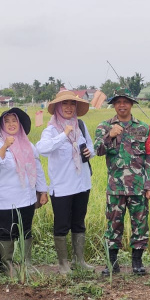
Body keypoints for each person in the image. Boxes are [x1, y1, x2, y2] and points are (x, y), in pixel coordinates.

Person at [93, 89, 150, 276]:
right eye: (118, 102)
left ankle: (137, 263)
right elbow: (98, 150)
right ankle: (112, 263)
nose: (122, 105)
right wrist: (111, 136)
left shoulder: (144, 128)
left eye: (126, 102)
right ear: (114, 105)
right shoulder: (104, 126)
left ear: (132, 104)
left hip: (139, 187)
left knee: (140, 225)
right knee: (113, 226)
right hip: (115, 187)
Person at [36, 90, 94, 274]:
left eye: (72, 104)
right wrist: (63, 135)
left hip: (82, 183)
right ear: (57, 108)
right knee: (61, 225)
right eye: (65, 104)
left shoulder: (81, 126)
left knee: (79, 222)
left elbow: (90, 148)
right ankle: (63, 264)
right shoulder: (51, 130)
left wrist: (88, 153)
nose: (69, 108)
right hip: (62, 187)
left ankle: (80, 261)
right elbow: (42, 149)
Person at [0, 108, 48, 275]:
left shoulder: (28, 144)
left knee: (25, 230)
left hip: (27, 196)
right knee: (6, 232)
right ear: (2, 125)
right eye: (7, 121)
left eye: (14, 121)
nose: (11, 124)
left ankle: (26, 263)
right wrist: (5, 146)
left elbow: (37, 167)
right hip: (5, 198)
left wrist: (42, 190)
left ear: (19, 124)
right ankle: (8, 266)